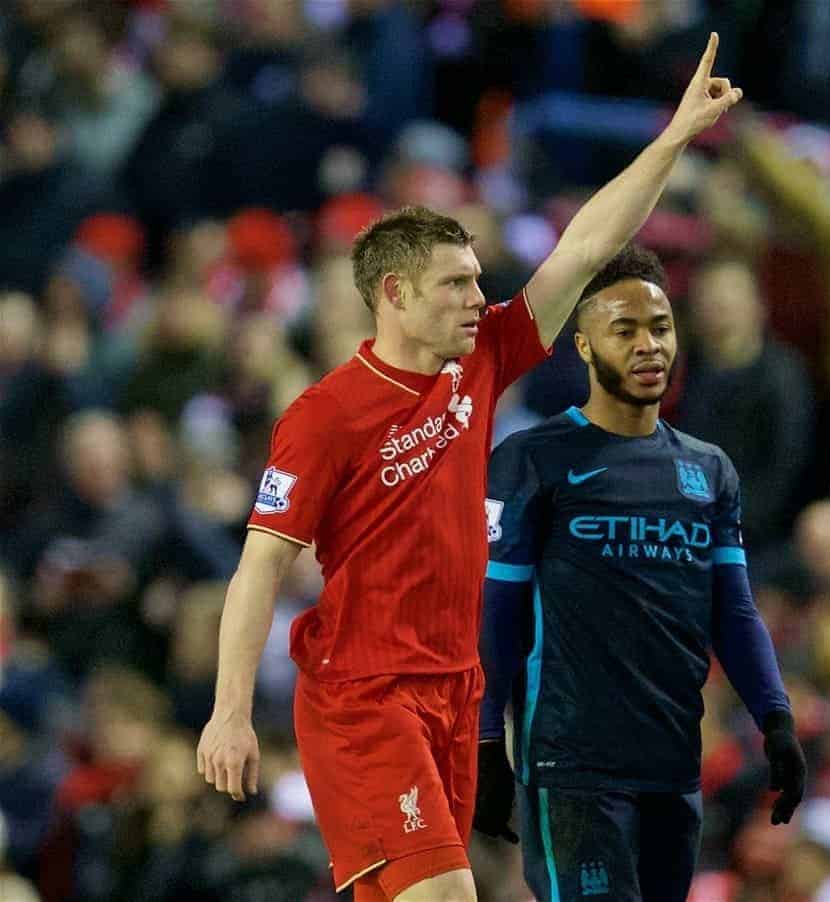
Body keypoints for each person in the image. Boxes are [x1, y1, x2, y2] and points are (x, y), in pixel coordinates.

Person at [194, 33, 742, 902]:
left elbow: (584, 248)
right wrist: (229, 711)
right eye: (456, 283)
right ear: (396, 295)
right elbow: (261, 563)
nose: (479, 298)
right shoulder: (325, 415)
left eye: (479, 278)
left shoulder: (479, 358)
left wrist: (672, 140)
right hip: (365, 697)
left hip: (456, 689)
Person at [475, 244, 806, 901]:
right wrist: (486, 740)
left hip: (673, 767)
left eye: (660, 327)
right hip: (571, 768)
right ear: (585, 347)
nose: (648, 345)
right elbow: (498, 615)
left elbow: (733, 613)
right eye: (624, 330)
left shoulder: (709, 470)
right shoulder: (532, 459)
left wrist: (776, 717)